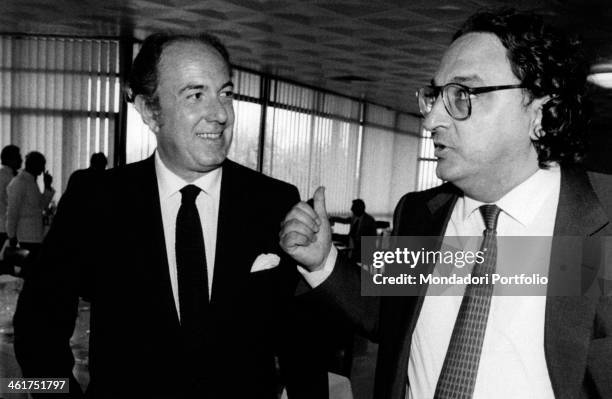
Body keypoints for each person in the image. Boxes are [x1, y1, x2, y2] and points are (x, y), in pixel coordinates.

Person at [280, 9, 612, 399]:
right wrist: (323, 263)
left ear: (539, 112)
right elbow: (390, 315)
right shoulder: (422, 213)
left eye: (462, 95)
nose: (432, 119)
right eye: (435, 95)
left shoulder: (600, 221)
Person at [14, 33, 304, 398]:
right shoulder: (96, 203)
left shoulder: (274, 201)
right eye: (195, 95)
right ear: (150, 112)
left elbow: (301, 341)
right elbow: (35, 329)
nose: (220, 114)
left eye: (226, 93)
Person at [6, 151, 55, 272]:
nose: (43, 168)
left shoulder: (31, 182)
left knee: (32, 270)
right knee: (28, 270)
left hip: (35, 235)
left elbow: (41, 206)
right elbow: (13, 211)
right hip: (25, 236)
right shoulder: (20, 182)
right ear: (34, 165)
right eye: (42, 165)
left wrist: (47, 186)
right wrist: (11, 235)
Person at [0, 145, 22, 274]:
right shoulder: (11, 179)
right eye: (18, 157)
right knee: (6, 267)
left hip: (3, 226)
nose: (21, 160)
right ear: (10, 159)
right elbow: (13, 206)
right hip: (5, 227)